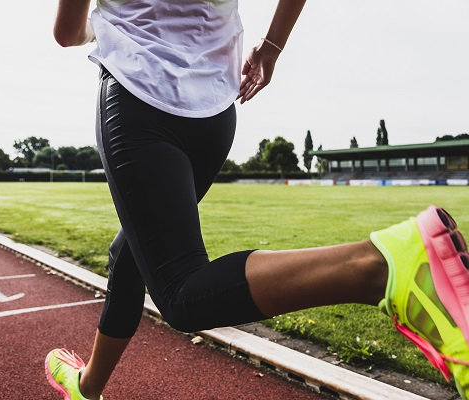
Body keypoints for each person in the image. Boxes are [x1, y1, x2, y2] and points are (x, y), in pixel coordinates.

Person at [45, 1, 469, 399]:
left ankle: (379, 266)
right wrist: (272, 48)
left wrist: (99, 26)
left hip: (140, 93)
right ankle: (88, 387)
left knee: (179, 291)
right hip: (214, 110)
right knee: (131, 252)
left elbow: (67, 33)